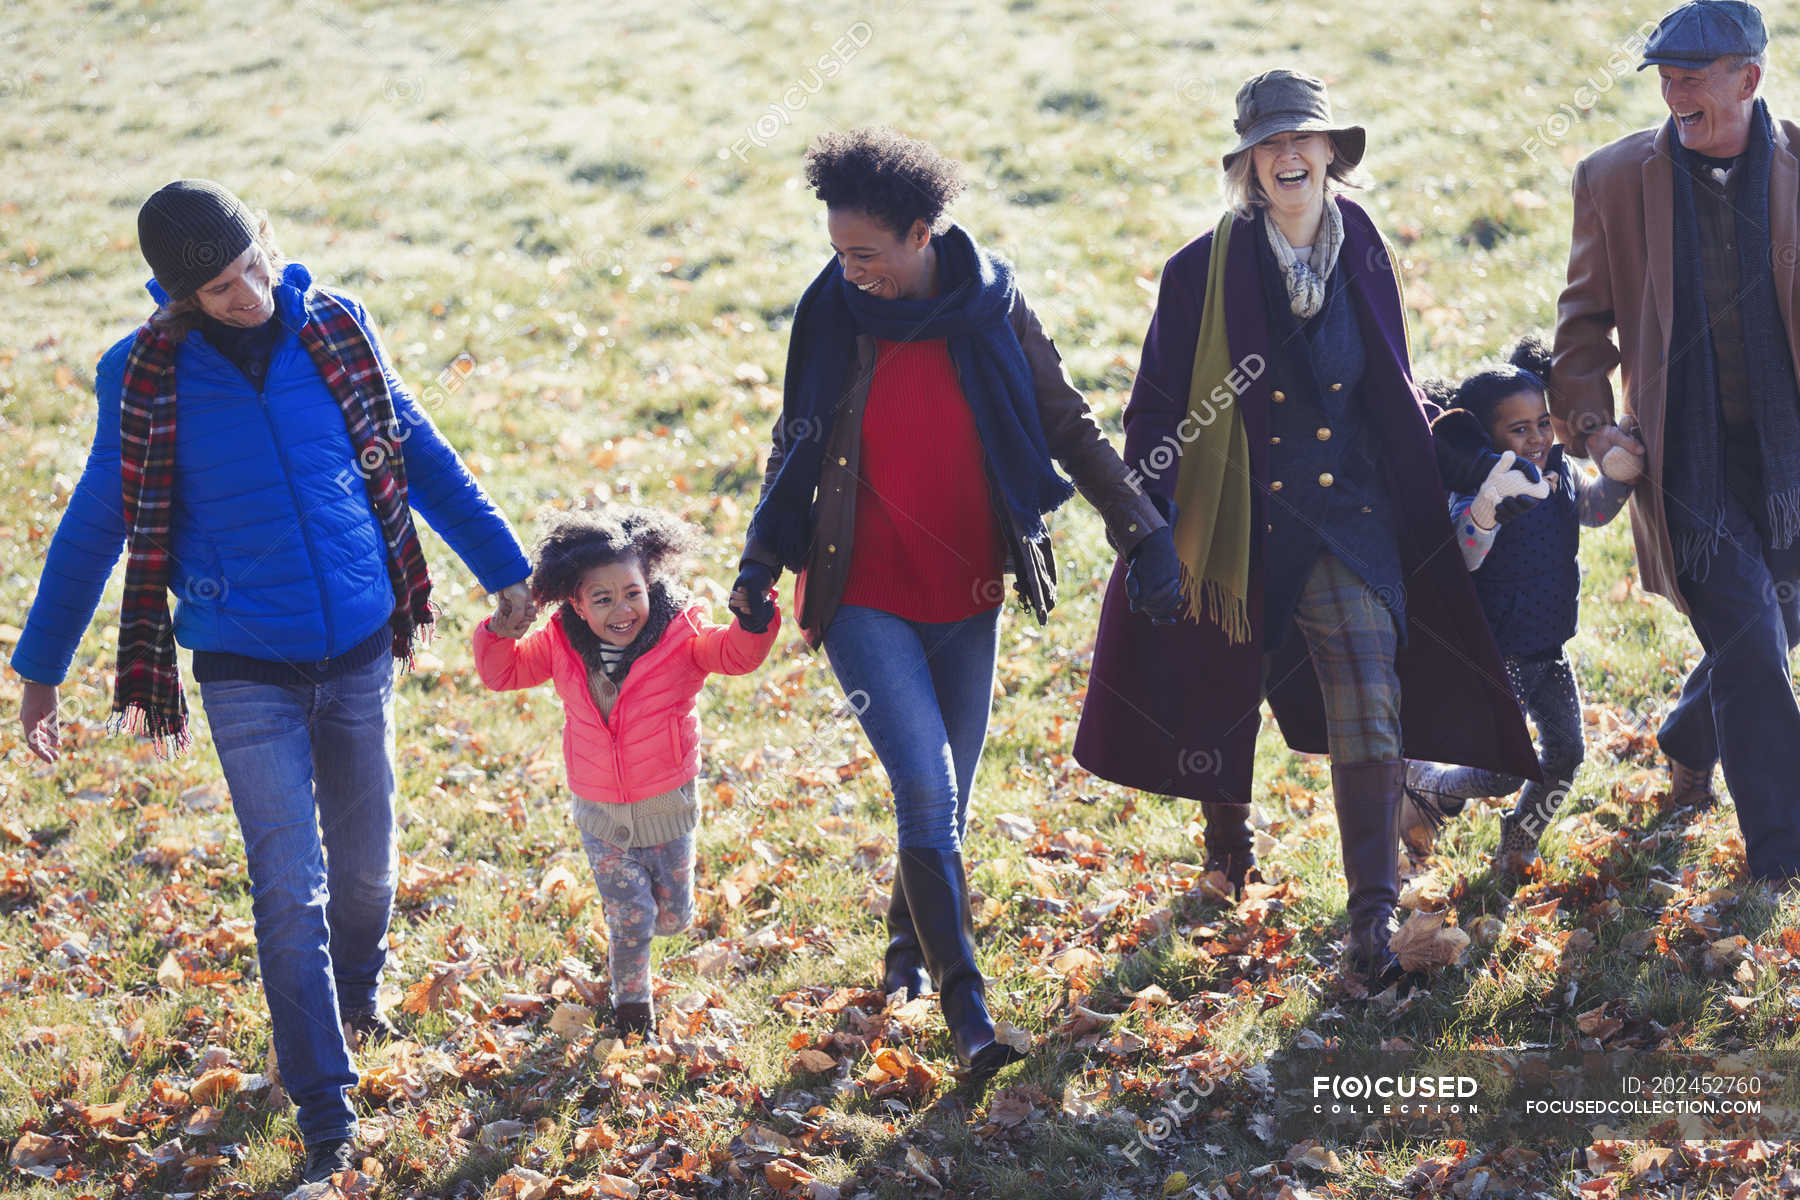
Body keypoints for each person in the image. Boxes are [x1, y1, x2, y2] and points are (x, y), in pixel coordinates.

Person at [9, 180, 535, 1186]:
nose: (249, 292)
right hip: (243, 665)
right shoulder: (144, 377)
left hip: (359, 648)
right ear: (174, 295)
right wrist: (40, 675)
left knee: (371, 869)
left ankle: (358, 990)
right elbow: (91, 526)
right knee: (288, 885)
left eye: (254, 265)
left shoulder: (335, 329)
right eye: (219, 285)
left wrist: (503, 566)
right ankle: (324, 1101)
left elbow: (414, 449)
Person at [1074, 70, 1541, 985]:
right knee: (1217, 686)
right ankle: (1227, 843)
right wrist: (1151, 534)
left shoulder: (1363, 243)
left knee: (1371, 700)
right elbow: (1159, 414)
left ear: (1333, 152)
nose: (1288, 157)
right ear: (1247, 164)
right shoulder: (1195, 273)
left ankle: (1371, 918)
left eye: (1304, 140)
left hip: (1351, 523)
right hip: (1234, 523)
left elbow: (1392, 386)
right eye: (1269, 144)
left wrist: (1464, 468)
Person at [731, 128, 1179, 1079]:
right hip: (861, 592)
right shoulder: (833, 314)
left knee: (949, 801)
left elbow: (1067, 421)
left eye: (865, 253)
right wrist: (761, 561)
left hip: (968, 589)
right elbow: (795, 441)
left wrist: (1141, 527)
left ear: (923, 232)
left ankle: (907, 957)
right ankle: (968, 1011)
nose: (846, 270)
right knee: (927, 791)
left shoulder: (993, 306)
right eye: (836, 251)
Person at [1551, 0, 1800, 882]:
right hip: (1682, 459)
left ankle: (1686, 732)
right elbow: (1581, 329)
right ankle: (1780, 856)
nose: (1674, 91)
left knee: (1773, 624)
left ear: (1750, 79)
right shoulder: (1615, 177)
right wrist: (1594, 426)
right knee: (1751, 630)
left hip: (1789, 458)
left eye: (1695, 74)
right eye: (1665, 74)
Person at [473, 506, 779, 1035]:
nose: (621, 609)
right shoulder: (561, 642)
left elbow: (732, 654)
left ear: (650, 583)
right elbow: (504, 673)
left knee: (671, 917)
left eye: (632, 593)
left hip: (667, 803)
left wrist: (752, 624)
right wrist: (497, 633)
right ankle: (633, 1007)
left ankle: (665, 926)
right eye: (603, 598)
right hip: (600, 809)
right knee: (629, 917)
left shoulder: (681, 634)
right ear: (576, 602)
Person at [1402, 337, 1639, 880]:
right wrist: (1488, 509)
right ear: (1484, 437)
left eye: (1542, 424)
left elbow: (1593, 513)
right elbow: (1462, 556)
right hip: (1492, 651)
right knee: (1506, 770)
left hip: (1546, 645)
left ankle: (1519, 840)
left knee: (1566, 753)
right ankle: (1430, 782)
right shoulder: (1474, 489)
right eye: (1518, 429)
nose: (1536, 438)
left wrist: (1620, 479)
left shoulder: (1557, 469)